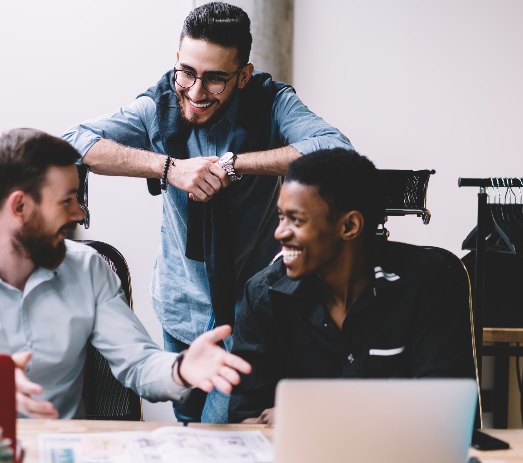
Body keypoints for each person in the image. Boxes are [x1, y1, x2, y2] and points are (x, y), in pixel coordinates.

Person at [62, 2, 352, 423]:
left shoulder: (272, 103)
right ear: (176, 61)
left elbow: (336, 151)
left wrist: (236, 165)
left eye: (216, 79)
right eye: (188, 73)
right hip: (179, 308)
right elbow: (72, 143)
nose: (196, 93)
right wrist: (169, 168)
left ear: (243, 75)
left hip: (249, 317)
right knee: (187, 432)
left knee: (217, 435)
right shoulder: (158, 106)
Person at [0, 128, 251, 420]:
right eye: (66, 200)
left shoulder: (89, 269)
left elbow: (138, 363)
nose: (79, 214)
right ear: (19, 206)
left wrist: (182, 368)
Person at [228, 148, 475, 424]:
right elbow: (246, 416)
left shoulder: (427, 281)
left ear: (350, 226)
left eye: (296, 220)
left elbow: (446, 409)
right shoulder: (264, 294)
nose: (280, 232)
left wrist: (314, 414)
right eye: (281, 217)